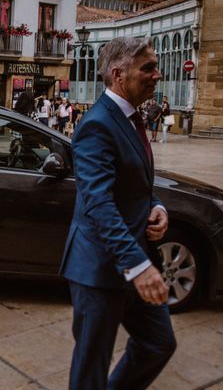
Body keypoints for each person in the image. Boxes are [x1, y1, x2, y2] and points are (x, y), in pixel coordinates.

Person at [60, 37, 176, 390]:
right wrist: (139, 266)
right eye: (148, 68)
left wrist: (155, 205)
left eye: (156, 66)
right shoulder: (97, 124)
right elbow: (98, 202)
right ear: (118, 74)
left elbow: (133, 181)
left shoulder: (129, 119)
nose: (157, 75)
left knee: (158, 343)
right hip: (99, 267)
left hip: (131, 259)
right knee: (91, 364)